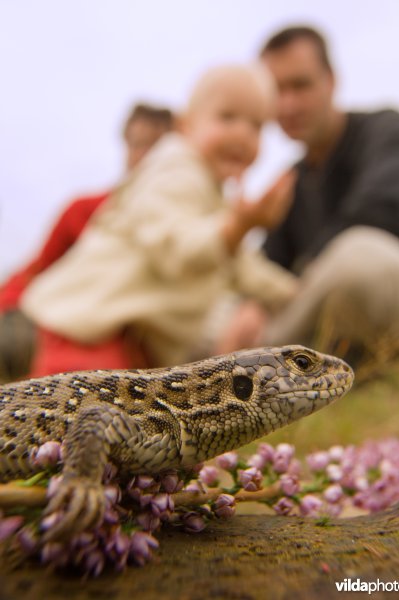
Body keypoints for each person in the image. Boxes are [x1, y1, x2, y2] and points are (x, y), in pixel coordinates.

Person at [21, 65, 298, 369]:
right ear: (185, 126)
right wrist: (238, 226)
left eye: (257, 125)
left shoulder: (215, 200)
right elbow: (179, 250)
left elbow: (241, 266)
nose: (243, 134)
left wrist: (293, 292)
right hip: (88, 325)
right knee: (88, 406)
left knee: (130, 409)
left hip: (132, 340)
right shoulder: (175, 170)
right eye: (228, 117)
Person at [254, 25, 399, 364]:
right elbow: (270, 261)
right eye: (276, 91)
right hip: (328, 326)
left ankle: (255, 361)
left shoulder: (386, 128)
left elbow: (383, 214)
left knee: (360, 260)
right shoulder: (290, 181)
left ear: (331, 80)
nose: (289, 104)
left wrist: (301, 278)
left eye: (300, 85)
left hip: (392, 290)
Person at [0, 103, 174, 380]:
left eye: (155, 147)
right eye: (137, 144)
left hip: (136, 351)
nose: (144, 156)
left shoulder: (179, 224)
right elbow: (36, 268)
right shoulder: (83, 210)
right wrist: (8, 308)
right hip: (67, 335)